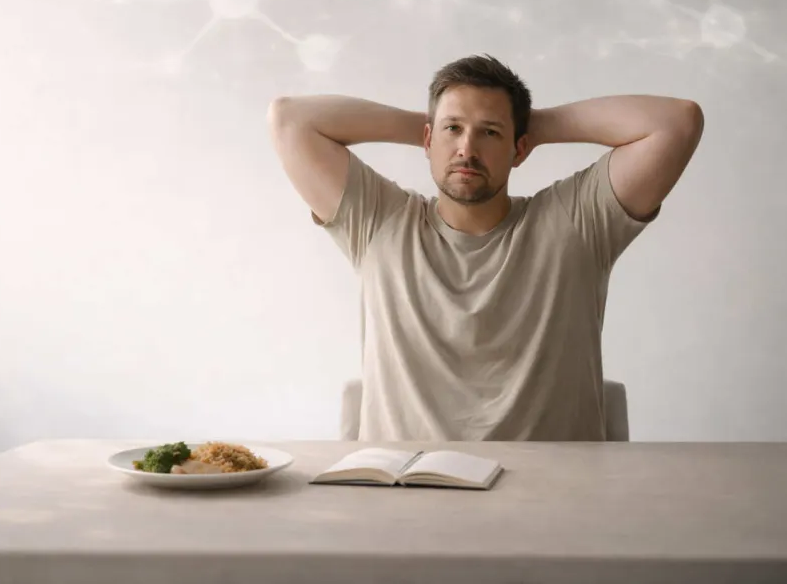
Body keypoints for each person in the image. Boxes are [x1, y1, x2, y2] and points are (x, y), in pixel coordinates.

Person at [267, 54, 704, 441]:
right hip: (406, 489)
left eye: (490, 134)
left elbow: (677, 121)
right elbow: (289, 119)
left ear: (520, 149)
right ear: (428, 141)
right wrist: (444, 123)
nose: (467, 149)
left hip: (556, 494)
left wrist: (527, 124)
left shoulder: (575, 223)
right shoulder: (379, 222)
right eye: (453, 130)